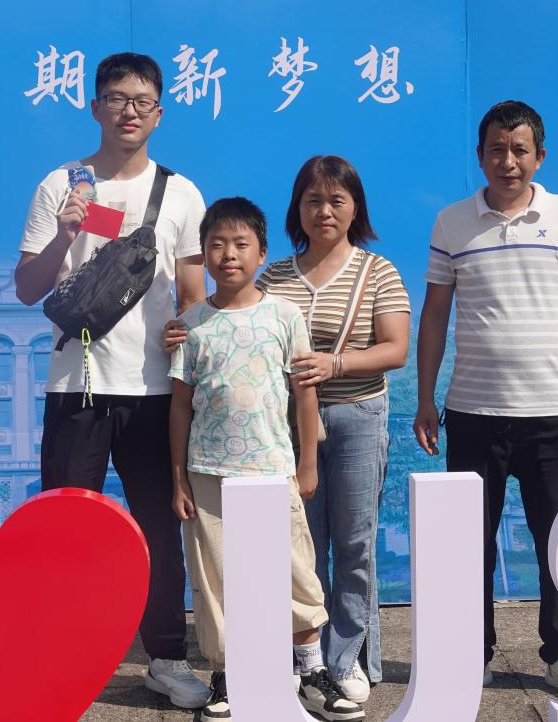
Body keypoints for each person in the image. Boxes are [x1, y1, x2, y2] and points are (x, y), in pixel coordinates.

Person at [15, 52, 211, 709]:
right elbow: (26, 288)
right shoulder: (60, 185)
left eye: (143, 101)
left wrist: (188, 337)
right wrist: (64, 233)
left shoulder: (180, 193)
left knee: (159, 529)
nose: (130, 111)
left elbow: (192, 293)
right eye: (118, 99)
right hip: (77, 386)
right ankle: (61, 659)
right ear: (95, 107)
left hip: (154, 393)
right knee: (66, 530)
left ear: (159, 113)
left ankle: (167, 658)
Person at [412, 100, 558, 705]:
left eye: (519, 150)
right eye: (497, 150)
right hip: (473, 412)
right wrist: (426, 397)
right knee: (468, 542)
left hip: (551, 412)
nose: (508, 161)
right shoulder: (452, 222)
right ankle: (470, 653)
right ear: (480, 156)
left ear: (539, 156)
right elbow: (435, 316)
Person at [169, 197, 365, 722]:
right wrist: (179, 479)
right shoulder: (190, 324)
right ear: (203, 256)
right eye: (216, 245)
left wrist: (307, 462)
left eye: (241, 244)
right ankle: (227, 675)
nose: (228, 255)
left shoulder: (284, 315)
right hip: (207, 472)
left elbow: (304, 394)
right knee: (215, 577)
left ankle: (310, 670)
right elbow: (181, 407)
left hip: (273, 467)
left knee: (295, 568)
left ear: (261, 254)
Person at [256, 156, 410, 702]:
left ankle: (348, 659)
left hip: (357, 418)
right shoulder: (272, 277)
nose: (324, 211)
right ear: (297, 209)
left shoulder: (378, 271)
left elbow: (395, 349)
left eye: (336, 200)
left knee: (354, 543)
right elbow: (245, 329)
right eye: (313, 200)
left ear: (355, 208)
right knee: (299, 545)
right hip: (288, 426)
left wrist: (335, 364)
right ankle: (307, 657)